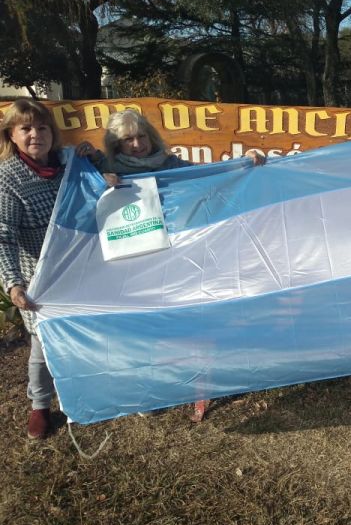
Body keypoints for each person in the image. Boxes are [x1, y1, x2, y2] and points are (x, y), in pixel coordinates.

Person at [76, 110, 264, 422]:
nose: (137, 144)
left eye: (141, 136)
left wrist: (245, 162)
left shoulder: (169, 164)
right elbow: (78, 189)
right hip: (130, 263)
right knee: (141, 326)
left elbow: (209, 174)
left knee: (183, 319)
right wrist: (92, 171)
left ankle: (199, 380)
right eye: (127, 140)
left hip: (172, 256)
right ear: (115, 144)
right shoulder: (104, 168)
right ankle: (147, 390)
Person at [0, 99, 69, 439]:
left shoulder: (68, 162)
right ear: (11, 135)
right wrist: (13, 283)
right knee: (42, 345)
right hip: (38, 278)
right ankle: (40, 405)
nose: (35, 134)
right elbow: (3, 236)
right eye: (25, 128)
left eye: (42, 127)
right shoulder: (7, 179)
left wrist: (95, 157)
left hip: (79, 268)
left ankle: (86, 391)